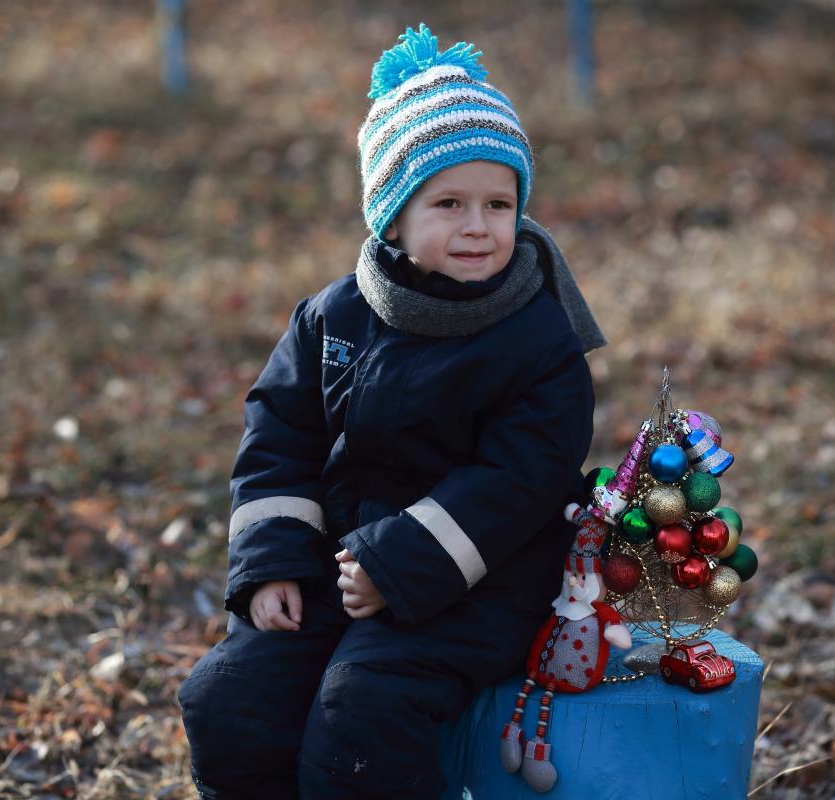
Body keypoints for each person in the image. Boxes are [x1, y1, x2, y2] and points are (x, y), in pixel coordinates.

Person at [178, 23, 606, 800]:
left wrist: (396, 563)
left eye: (499, 203)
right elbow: (279, 434)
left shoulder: (538, 341)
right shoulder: (333, 317)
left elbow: (520, 479)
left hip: (479, 584)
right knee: (231, 697)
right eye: (448, 202)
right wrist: (273, 561)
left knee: (360, 712)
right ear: (393, 217)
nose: (478, 226)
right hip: (335, 569)